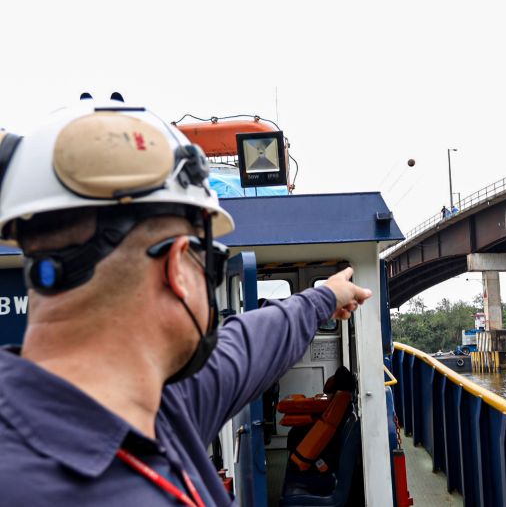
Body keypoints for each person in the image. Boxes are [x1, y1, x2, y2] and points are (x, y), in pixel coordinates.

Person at [0, 98, 372, 506]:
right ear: (179, 267)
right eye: (209, 262)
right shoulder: (168, 409)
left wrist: (324, 297)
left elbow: (249, 344)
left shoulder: (157, 405)